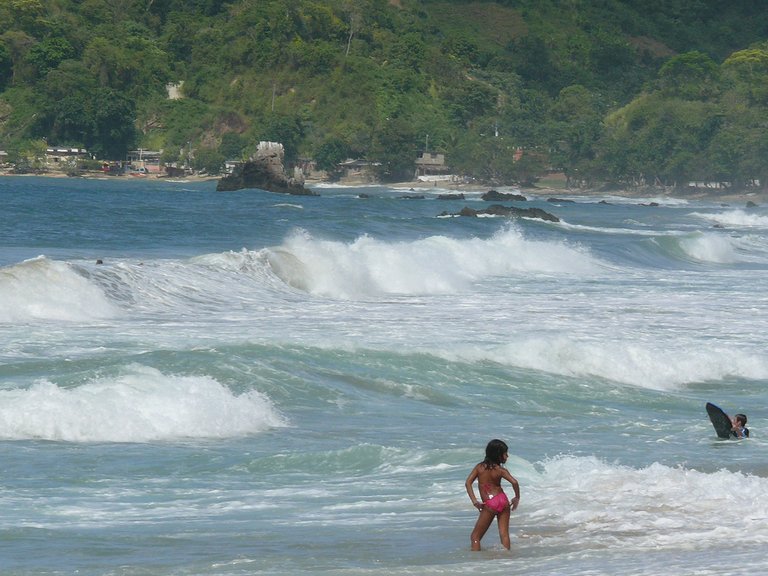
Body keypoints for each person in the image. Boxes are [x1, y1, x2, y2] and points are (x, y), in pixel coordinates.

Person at [464, 439, 520, 551]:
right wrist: (516, 497)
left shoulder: (479, 467)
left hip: (490, 503)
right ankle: (507, 558)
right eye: (505, 454)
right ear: (498, 455)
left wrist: (475, 501)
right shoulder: (500, 470)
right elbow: (514, 482)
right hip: (503, 500)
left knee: (475, 537)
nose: (507, 456)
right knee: (504, 534)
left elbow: (468, 483)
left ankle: (475, 562)